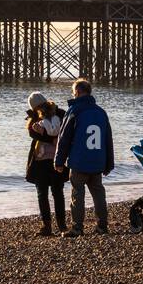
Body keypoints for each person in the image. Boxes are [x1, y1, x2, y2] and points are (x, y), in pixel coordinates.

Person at [54, 78, 114, 237]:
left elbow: (64, 138)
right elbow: (108, 139)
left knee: (77, 194)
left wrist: (59, 161)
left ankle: (77, 228)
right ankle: (102, 226)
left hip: (79, 161)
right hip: (97, 161)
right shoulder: (101, 112)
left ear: (78, 92)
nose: (73, 95)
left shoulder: (74, 111)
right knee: (99, 193)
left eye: (73, 92)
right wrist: (109, 163)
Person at [25, 92, 68, 236]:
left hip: (42, 160)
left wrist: (47, 137)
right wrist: (53, 140)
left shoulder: (34, 118)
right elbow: (66, 130)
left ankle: (47, 225)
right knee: (57, 192)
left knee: (42, 193)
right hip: (58, 158)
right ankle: (61, 225)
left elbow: (32, 133)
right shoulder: (60, 113)